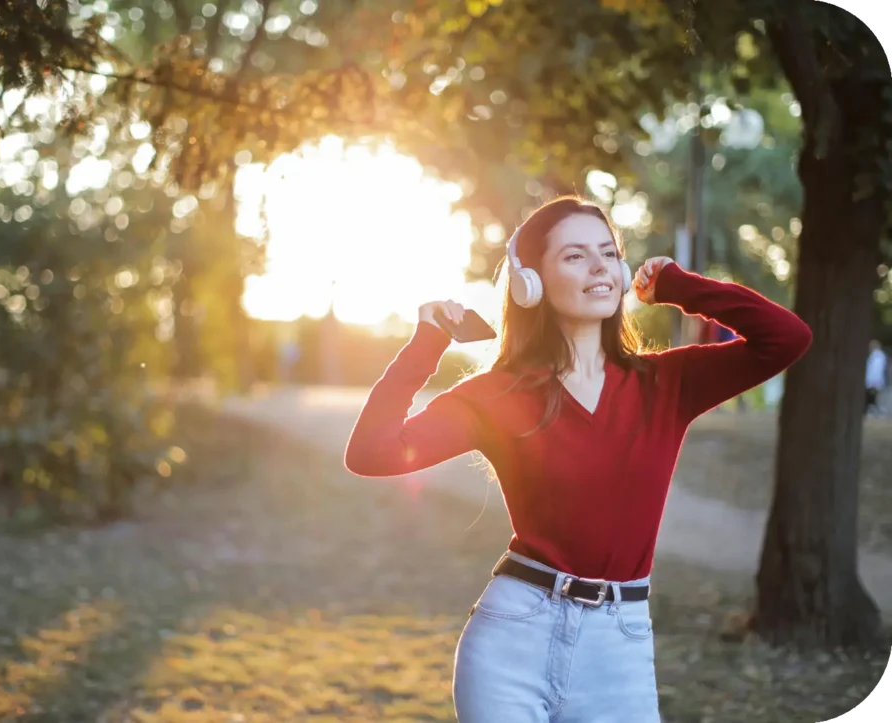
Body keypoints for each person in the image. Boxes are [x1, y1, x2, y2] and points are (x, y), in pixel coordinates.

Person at [344, 195, 812, 722]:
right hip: (512, 640)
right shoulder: (496, 394)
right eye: (574, 256)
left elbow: (787, 339)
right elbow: (372, 453)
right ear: (530, 284)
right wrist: (426, 344)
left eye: (608, 253)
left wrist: (681, 287)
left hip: (621, 643)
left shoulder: (666, 384)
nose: (599, 267)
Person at [865, 339, 888, 416]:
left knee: (873, 397)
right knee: (874, 397)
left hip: (873, 381)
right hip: (875, 381)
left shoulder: (877, 356)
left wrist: (870, 381)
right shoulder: (878, 356)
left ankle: (875, 410)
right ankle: (875, 410)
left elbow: (875, 370)